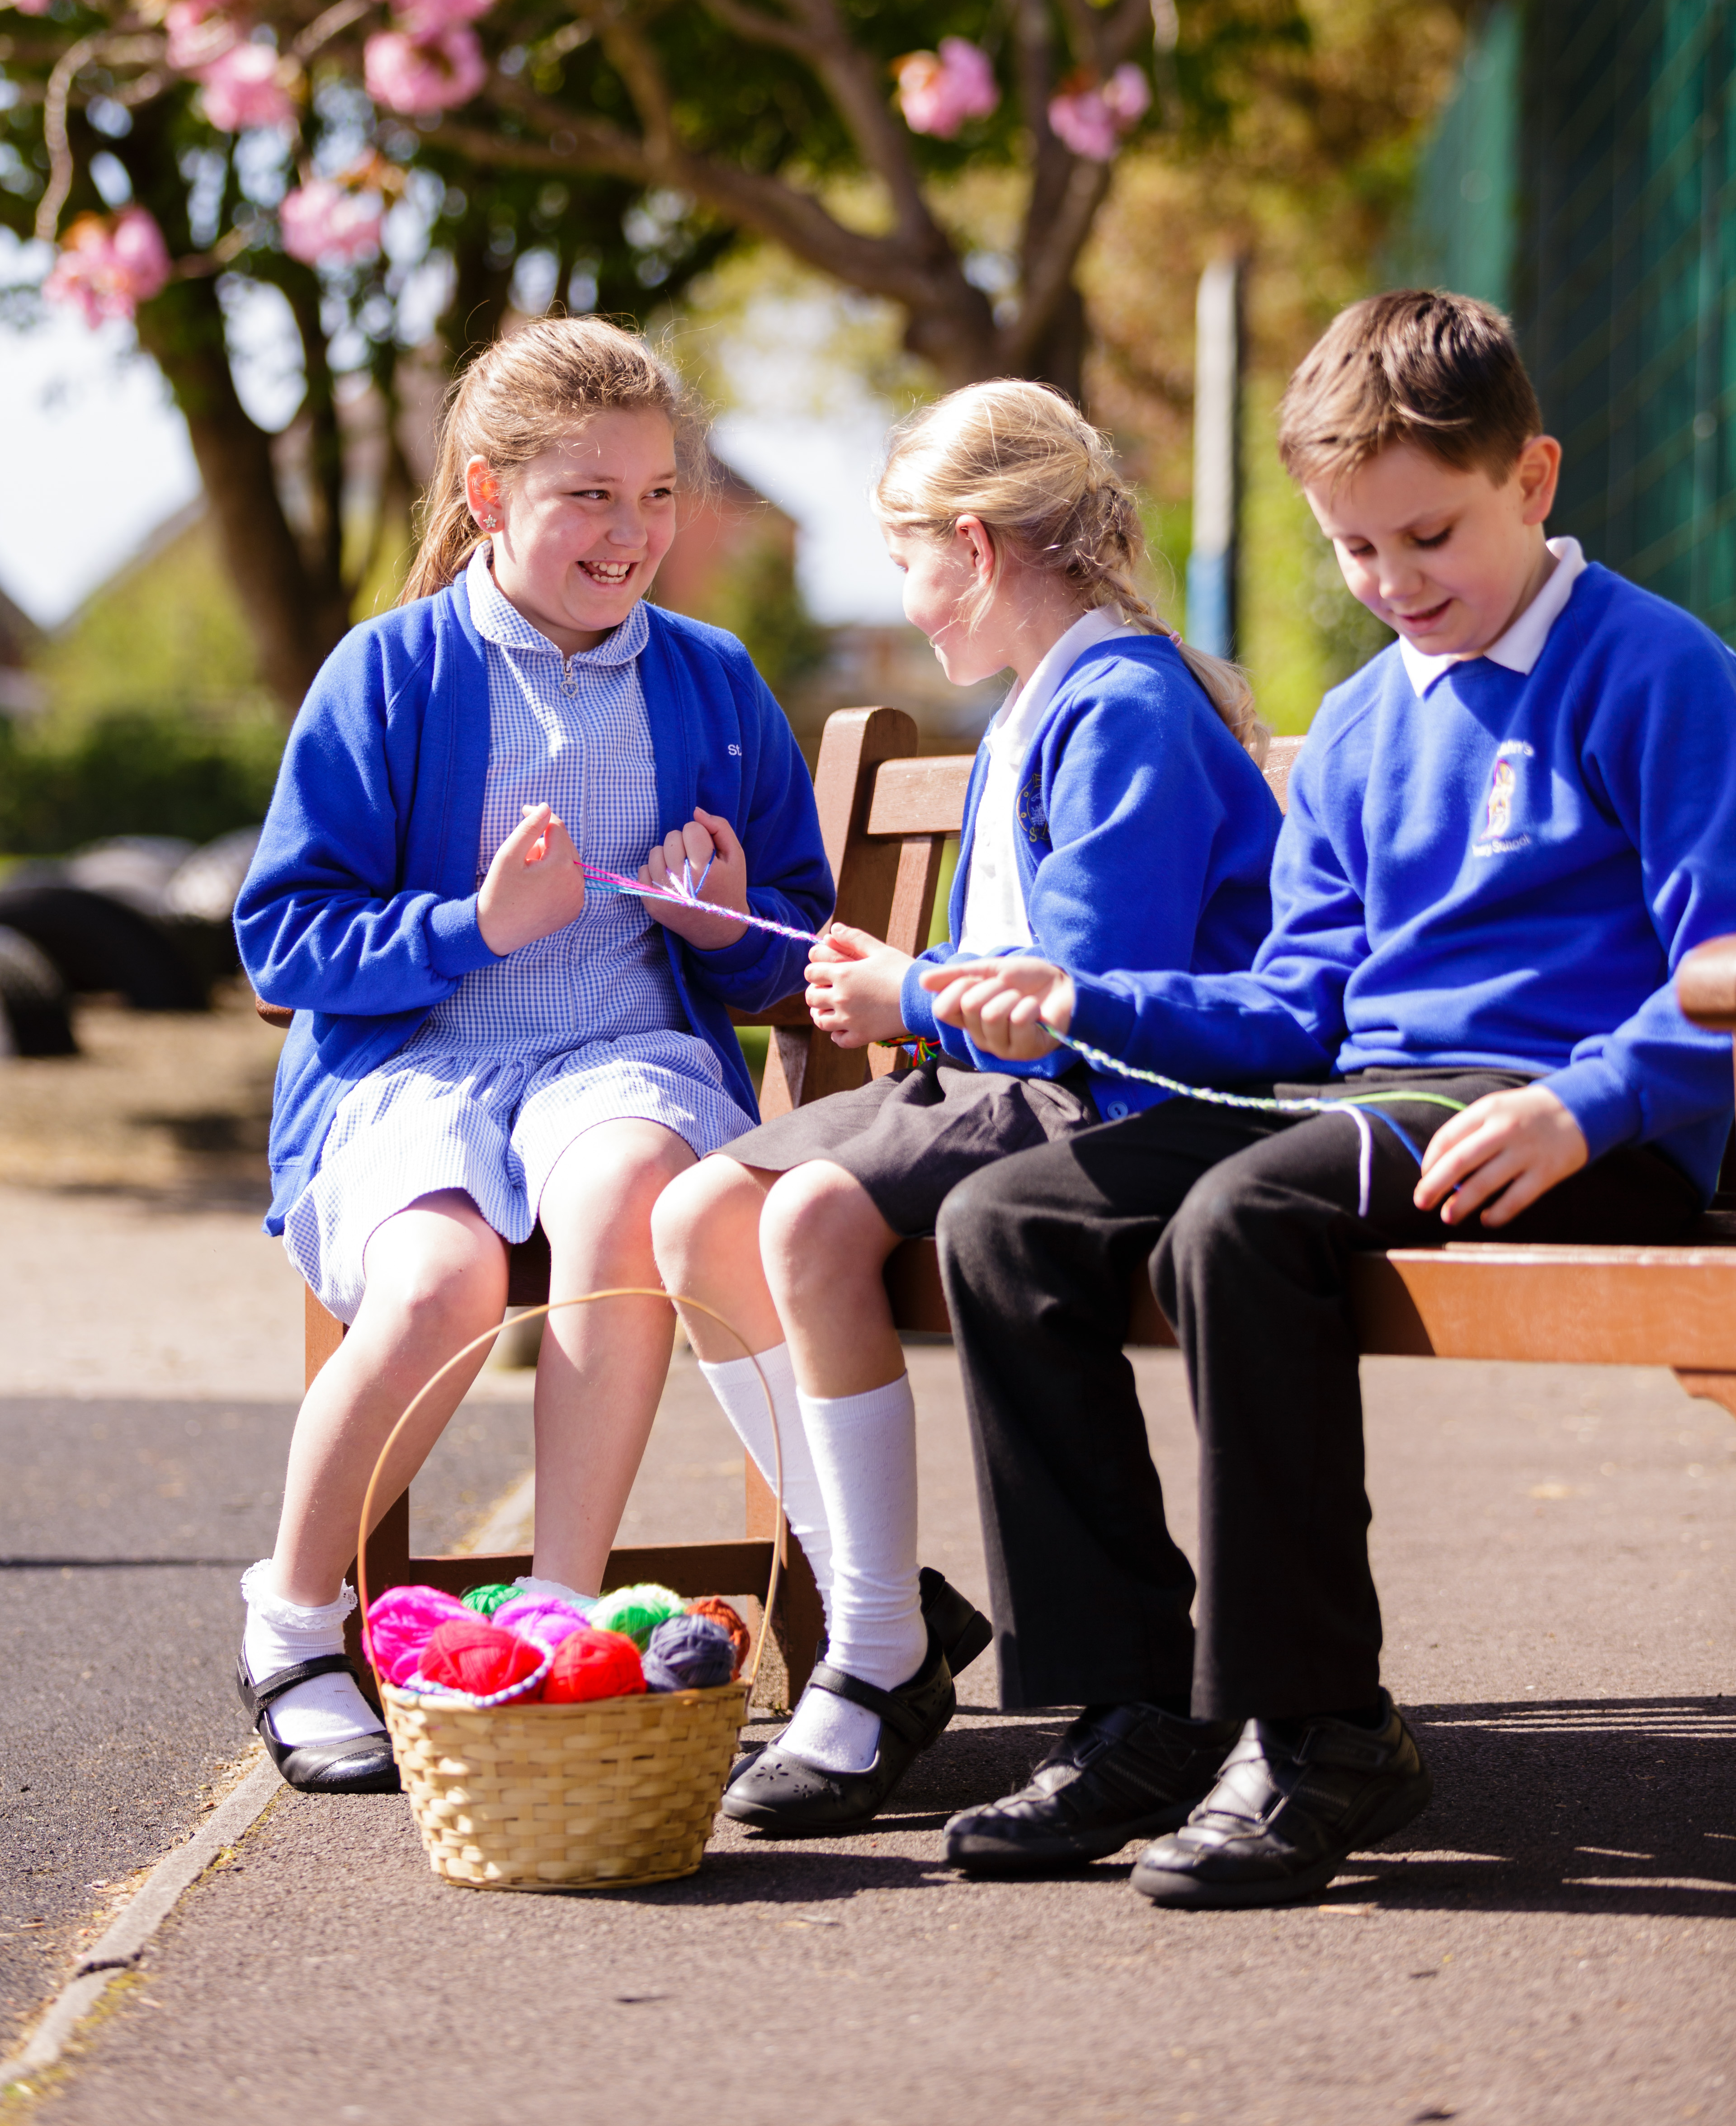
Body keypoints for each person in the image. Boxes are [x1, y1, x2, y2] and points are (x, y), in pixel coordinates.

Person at [923, 290, 1736, 1905]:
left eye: (1427, 537)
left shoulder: (1658, 669)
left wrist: (1594, 1101)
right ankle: (1140, 1709)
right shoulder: (1366, 718)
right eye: (1356, 555)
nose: (1394, 586)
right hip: (1379, 1099)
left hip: (1585, 1122)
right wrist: (1092, 1000)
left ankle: (1318, 1730)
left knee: (1244, 1220)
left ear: (1536, 478)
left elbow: (1724, 964)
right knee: (1009, 1215)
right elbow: (1297, 1003)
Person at [652, 379, 1281, 1837]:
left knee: (808, 1215)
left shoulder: (1124, 703)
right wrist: (879, 978)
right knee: (697, 1213)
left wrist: (910, 994)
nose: (909, 596)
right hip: (999, 1072)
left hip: (1110, 1094)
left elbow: (1084, 987)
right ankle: (887, 1631)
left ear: (980, 545)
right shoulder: (1036, 699)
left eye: (907, 557)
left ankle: (878, 1671)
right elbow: (988, 970)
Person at [232, 317, 831, 1793]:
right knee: (444, 1282)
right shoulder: (390, 675)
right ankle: (297, 1626)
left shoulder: (710, 681)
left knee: (628, 1200)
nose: (631, 535)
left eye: (657, 495)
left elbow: (791, 953)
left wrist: (724, 925)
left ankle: (562, 1620)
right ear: (491, 495)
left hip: (621, 1055)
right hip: (412, 1072)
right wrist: (473, 925)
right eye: (590, 497)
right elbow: (284, 944)